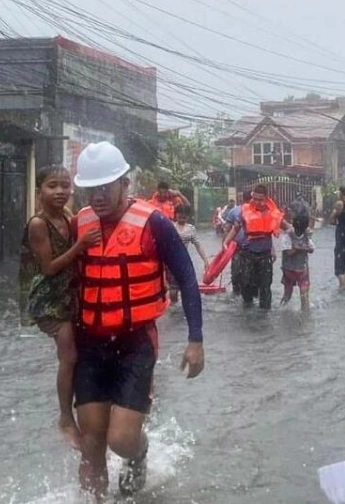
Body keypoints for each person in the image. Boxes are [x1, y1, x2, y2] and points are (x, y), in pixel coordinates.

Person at [72, 142, 204, 500]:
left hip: (135, 342)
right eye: (91, 189)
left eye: (105, 187)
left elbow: (188, 278)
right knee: (92, 440)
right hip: (91, 343)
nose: (98, 197)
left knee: (121, 439)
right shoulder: (80, 222)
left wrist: (195, 340)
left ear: (124, 184)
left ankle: (140, 453)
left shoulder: (154, 223)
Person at [19, 165, 102, 449]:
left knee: (78, 354)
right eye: (52, 186)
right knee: (68, 354)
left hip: (69, 295)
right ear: (38, 190)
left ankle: (86, 405)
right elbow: (49, 266)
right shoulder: (38, 224)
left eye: (65, 186)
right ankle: (65, 418)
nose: (60, 192)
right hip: (48, 299)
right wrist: (80, 246)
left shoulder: (68, 217)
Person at [223, 184, 286, 309]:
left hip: (265, 255)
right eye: (255, 199)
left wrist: (302, 233)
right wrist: (226, 242)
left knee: (265, 287)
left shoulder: (273, 214)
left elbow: (287, 227)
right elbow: (235, 229)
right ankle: (248, 317)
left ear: (266, 198)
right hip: (247, 254)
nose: (257, 202)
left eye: (260, 200)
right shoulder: (244, 212)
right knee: (246, 286)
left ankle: (264, 318)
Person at [168, 204, 209, 303]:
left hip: (184, 262)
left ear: (188, 217)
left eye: (184, 217)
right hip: (171, 262)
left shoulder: (191, 229)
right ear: (175, 215)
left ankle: (184, 310)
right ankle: (173, 309)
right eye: (179, 217)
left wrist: (205, 260)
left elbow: (198, 245)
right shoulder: (170, 227)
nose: (182, 219)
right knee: (173, 290)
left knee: (186, 288)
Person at [280, 214, 314, 311]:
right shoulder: (287, 236)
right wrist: (300, 248)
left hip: (301, 270)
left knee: (304, 295)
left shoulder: (306, 236)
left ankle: (305, 318)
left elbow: (311, 249)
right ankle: (282, 311)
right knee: (287, 294)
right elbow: (288, 252)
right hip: (289, 270)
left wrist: (305, 248)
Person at [225, 191, 251, 296]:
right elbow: (228, 229)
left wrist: (226, 242)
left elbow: (227, 229)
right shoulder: (234, 211)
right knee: (242, 272)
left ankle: (237, 293)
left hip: (243, 247)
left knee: (238, 272)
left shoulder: (233, 211)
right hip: (241, 247)